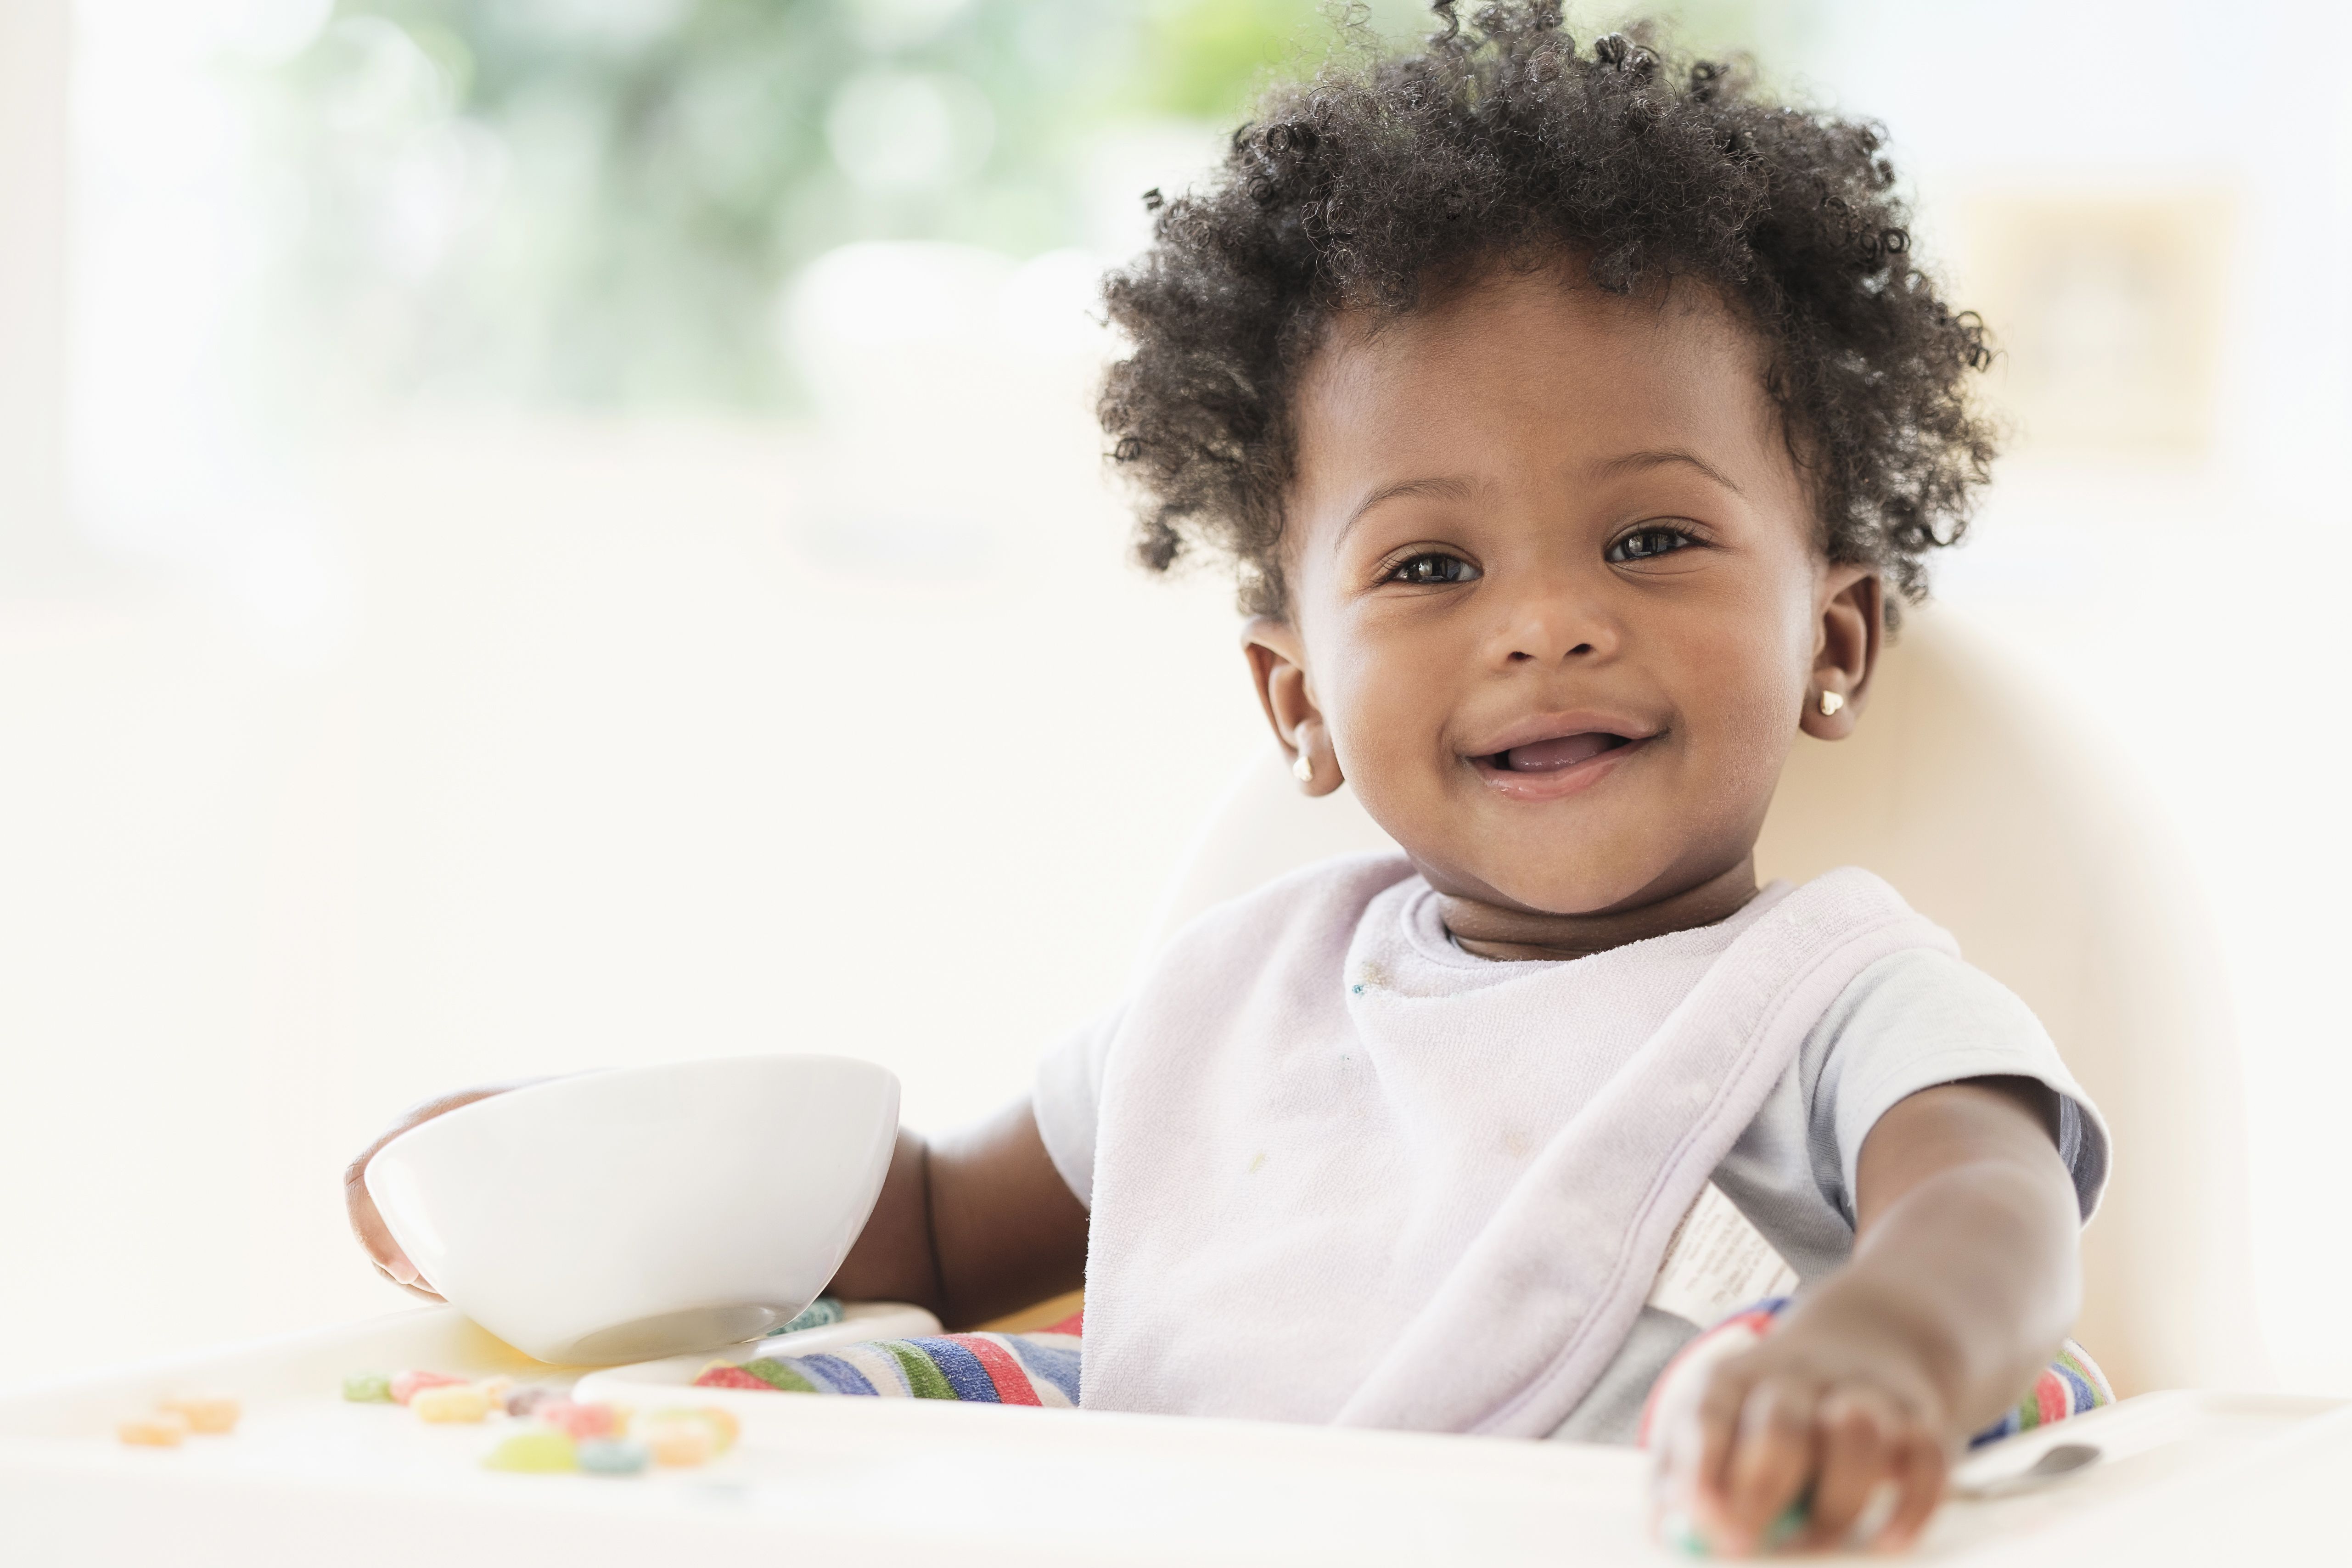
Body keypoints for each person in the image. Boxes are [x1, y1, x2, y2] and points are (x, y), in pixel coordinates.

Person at [348, 6, 2106, 1552]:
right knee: (800, 1389)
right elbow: (933, 1230)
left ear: (1835, 643)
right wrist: (568, 1165)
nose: (1548, 625)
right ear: (1299, 700)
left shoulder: (1836, 1002)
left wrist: (1877, 1355)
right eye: (1429, 570)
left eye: (1650, 539)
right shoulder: (1231, 1005)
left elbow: (1987, 1215)